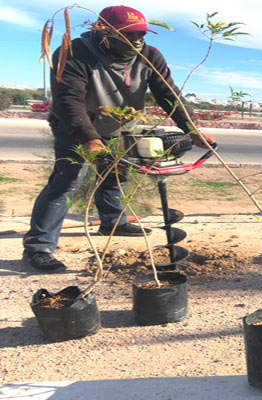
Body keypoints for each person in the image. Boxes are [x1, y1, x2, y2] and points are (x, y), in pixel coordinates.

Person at [23, 5, 215, 273]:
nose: (137, 40)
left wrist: (191, 129)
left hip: (120, 124)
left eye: (140, 34)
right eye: (130, 35)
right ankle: (38, 247)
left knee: (116, 175)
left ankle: (113, 222)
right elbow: (69, 99)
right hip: (75, 124)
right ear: (104, 32)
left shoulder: (150, 55)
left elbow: (168, 93)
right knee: (68, 180)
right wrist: (90, 138)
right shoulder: (75, 52)